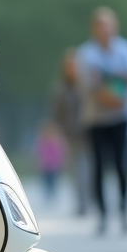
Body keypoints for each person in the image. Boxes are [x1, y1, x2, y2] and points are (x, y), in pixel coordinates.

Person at [76, 8, 127, 235]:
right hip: (96, 119)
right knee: (98, 166)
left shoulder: (126, 50)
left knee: (121, 164)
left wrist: (115, 91)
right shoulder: (86, 54)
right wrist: (109, 90)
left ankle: (124, 209)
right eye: (100, 25)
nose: (104, 29)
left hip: (121, 117)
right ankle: (103, 213)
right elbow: (86, 85)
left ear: (115, 27)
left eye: (108, 24)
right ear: (94, 28)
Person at [49, 49, 91, 216]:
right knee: (75, 171)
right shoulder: (60, 89)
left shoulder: (87, 86)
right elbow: (56, 113)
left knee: (87, 169)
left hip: (88, 134)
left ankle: (88, 199)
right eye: (70, 66)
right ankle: (81, 202)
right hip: (70, 135)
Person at [35, 121, 67, 200]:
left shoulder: (57, 141)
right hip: (45, 166)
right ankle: (48, 195)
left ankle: (53, 195)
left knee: (53, 181)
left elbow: (61, 153)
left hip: (54, 166)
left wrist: (61, 162)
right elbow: (39, 153)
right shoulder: (42, 141)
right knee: (46, 181)